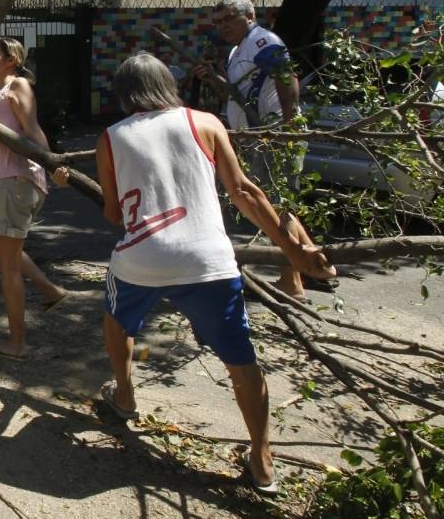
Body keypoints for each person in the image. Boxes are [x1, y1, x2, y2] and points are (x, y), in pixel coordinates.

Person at [96, 52, 337, 494]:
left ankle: (125, 396)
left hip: (143, 258)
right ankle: (262, 460)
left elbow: (114, 214)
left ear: (125, 94)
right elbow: (244, 190)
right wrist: (295, 251)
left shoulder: (110, 138)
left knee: (116, 319)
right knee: (241, 360)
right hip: (209, 259)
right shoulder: (205, 122)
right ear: (169, 86)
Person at [194, 0, 326, 298]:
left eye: (227, 19)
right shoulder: (237, 52)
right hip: (257, 136)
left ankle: (292, 281)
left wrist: (290, 126)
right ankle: (317, 264)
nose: (222, 26)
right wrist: (211, 78)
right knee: (281, 204)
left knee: (277, 208)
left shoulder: (264, 42)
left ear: (249, 16)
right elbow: (234, 94)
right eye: (217, 22)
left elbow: (286, 77)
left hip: (275, 134)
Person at [0, 37, 70, 362]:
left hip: (15, 180)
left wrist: (53, 164)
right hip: (3, 180)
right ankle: (51, 291)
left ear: (11, 60)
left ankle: (18, 344)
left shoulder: (19, 86)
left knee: (8, 262)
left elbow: (33, 131)